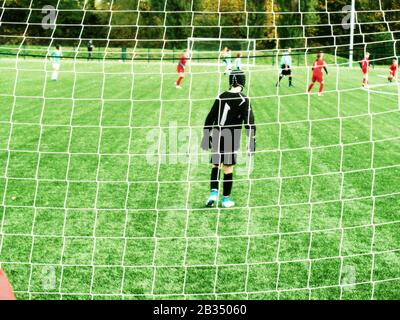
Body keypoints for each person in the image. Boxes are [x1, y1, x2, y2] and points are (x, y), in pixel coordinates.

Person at [202, 71, 256, 209]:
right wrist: (251, 142)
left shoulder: (221, 96)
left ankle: (213, 194)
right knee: (228, 168)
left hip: (216, 133)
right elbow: (249, 123)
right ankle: (225, 200)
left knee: (216, 165)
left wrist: (206, 135)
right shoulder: (244, 99)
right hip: (231, 136)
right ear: (243, 83)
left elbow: (210, 117)